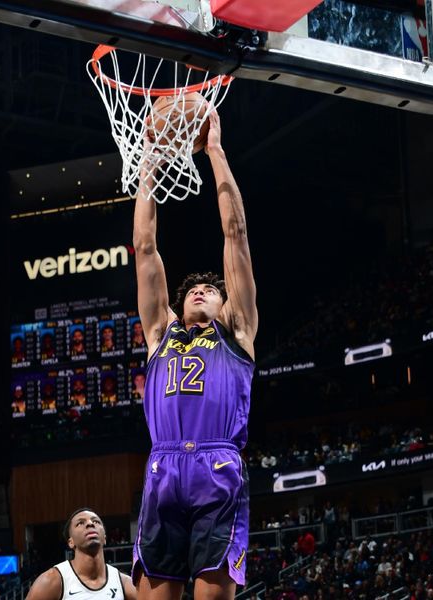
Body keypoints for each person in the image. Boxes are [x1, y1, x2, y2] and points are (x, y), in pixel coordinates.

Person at [132, 110, 257, 600]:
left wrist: (215, 152)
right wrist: (149, 159)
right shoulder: (160, 332)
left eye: (212, 288)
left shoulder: (237, 332)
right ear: (180, 304)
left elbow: (236, 234)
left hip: (217, 469)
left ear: (226, 305)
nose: (204, 290)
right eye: (195, 289)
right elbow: (144, 247)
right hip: (162, 470)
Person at [26, 508, 137, 600]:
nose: (90, 524)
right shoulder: (52, 580)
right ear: (71, 542)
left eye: (96, 522)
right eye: (80, 523)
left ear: (104, 538)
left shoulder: (123, 582)